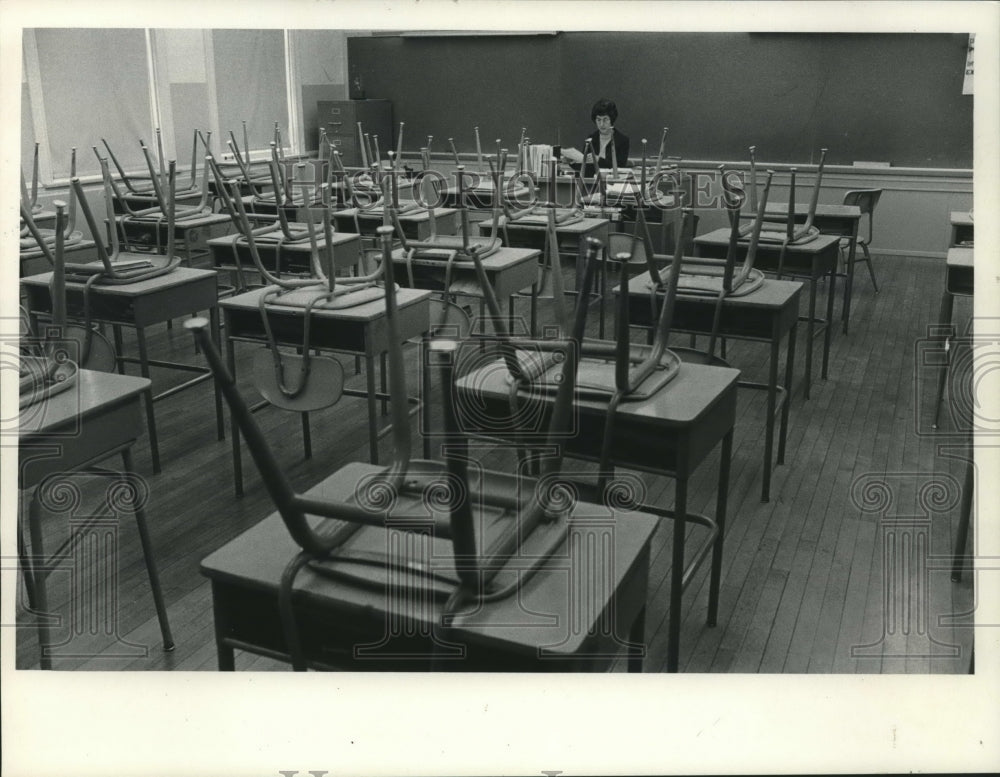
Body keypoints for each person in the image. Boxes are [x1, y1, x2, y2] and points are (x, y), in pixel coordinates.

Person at [562, 98, 630, 175]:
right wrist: (572, 162)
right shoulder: (591, 139)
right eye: (598, 120)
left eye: (605, 120)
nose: (601, 124)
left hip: (612, 183)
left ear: (612, 119)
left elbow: (620, 167)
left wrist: (598, 160)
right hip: (591, 182)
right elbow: (585, 168)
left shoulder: (622, 140)